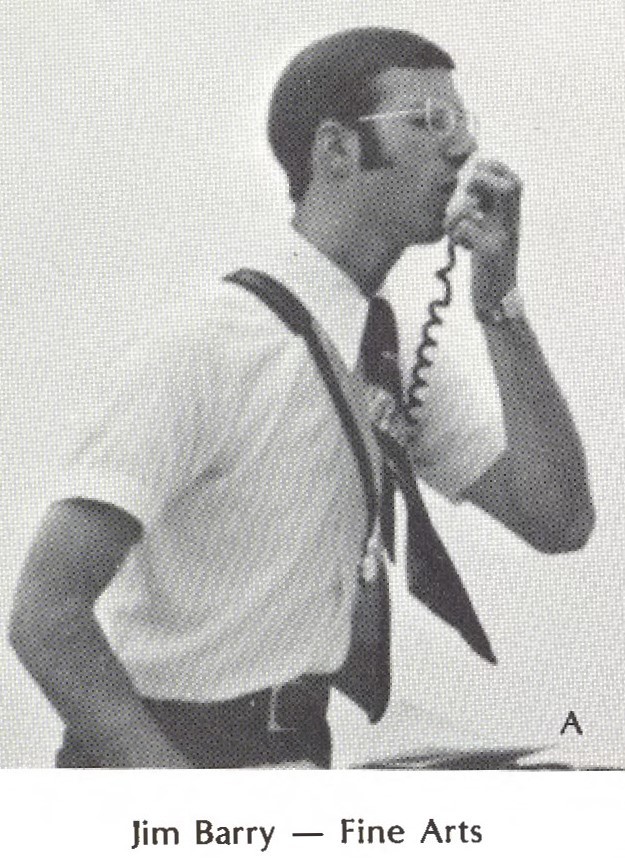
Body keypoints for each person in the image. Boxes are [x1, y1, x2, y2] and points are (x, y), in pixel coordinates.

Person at [9, 27, 594, 769]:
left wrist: (497, 301)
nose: (462, 148)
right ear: (337, 150)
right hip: (162, 756)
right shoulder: (213, 343)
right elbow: (45, 614)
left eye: (462, 123)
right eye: (429, 121)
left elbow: (556, 519)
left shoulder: (383, 348)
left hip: (291, 753)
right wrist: (175, 808)